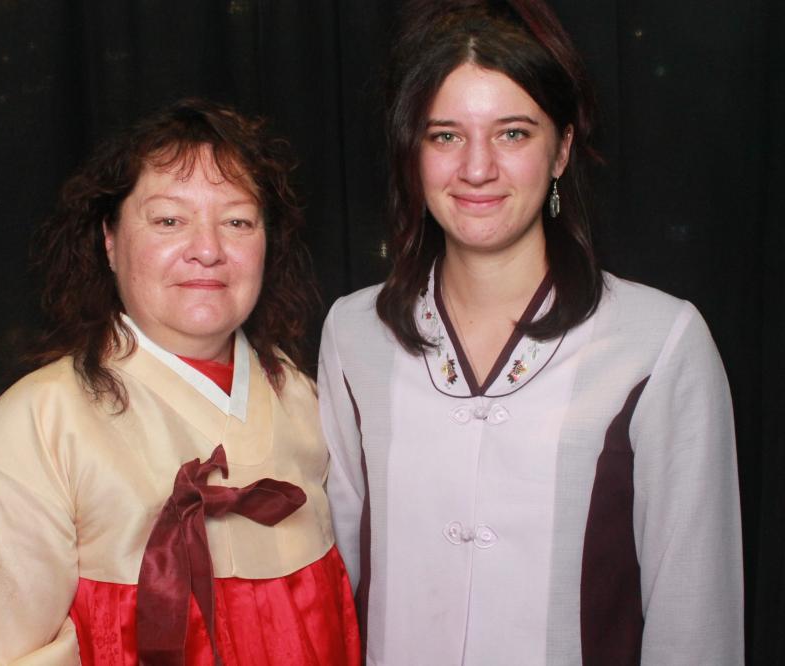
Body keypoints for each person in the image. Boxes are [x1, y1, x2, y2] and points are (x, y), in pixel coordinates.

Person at [318, 1, 744, 664]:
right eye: (445, 136)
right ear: (413, 153)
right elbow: (330, 591)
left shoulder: (658, 342)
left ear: (561, 149)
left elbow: (695, 617)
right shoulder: (353, 334)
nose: (477, 168)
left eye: (513, 133)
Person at [0, 99, 360, 665]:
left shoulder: (305, 401)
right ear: (109, 240)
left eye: (237, 221)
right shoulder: (36, 429)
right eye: (168, 221)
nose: (207, 250)